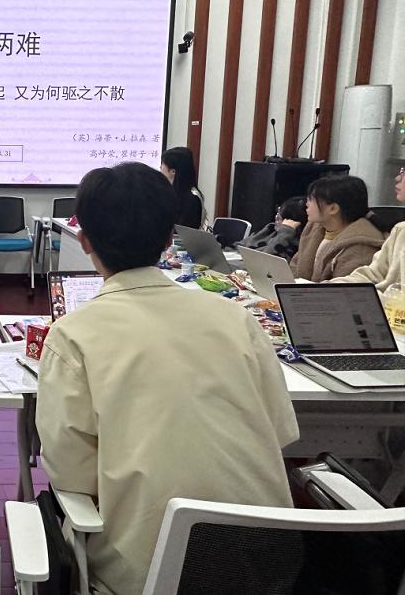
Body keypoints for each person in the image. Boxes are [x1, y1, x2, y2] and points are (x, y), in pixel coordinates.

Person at [35, 162, 298, 595]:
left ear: (84, 241)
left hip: (149, 573)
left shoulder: (74, 335)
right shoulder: (235, 318)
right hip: (264, 567)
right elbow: (281, 432)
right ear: (167, 239)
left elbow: (72, 476)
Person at [289, 175, 383, 282]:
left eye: (312, 199)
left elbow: (343, 289)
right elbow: (294, 267)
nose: (306, 204)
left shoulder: (362, 246)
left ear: (333, 208)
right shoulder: (314, 229)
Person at [332, 167, 405, 290]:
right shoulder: (401, 230)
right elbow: (373, 275)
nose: (398, 178)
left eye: (403, 173)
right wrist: (326, 289)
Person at [236, 195, 307, 261]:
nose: (276, 217)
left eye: (281, 216)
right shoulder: (270, 229)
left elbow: (266, 261)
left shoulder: (293, 242)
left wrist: (285, 231)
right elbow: (239, 245)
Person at [160, 146, 205, 229]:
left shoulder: (193, 198)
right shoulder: (170, 193)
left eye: (162, 164)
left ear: (173, 171)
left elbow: (183, 229)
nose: (160, 168)